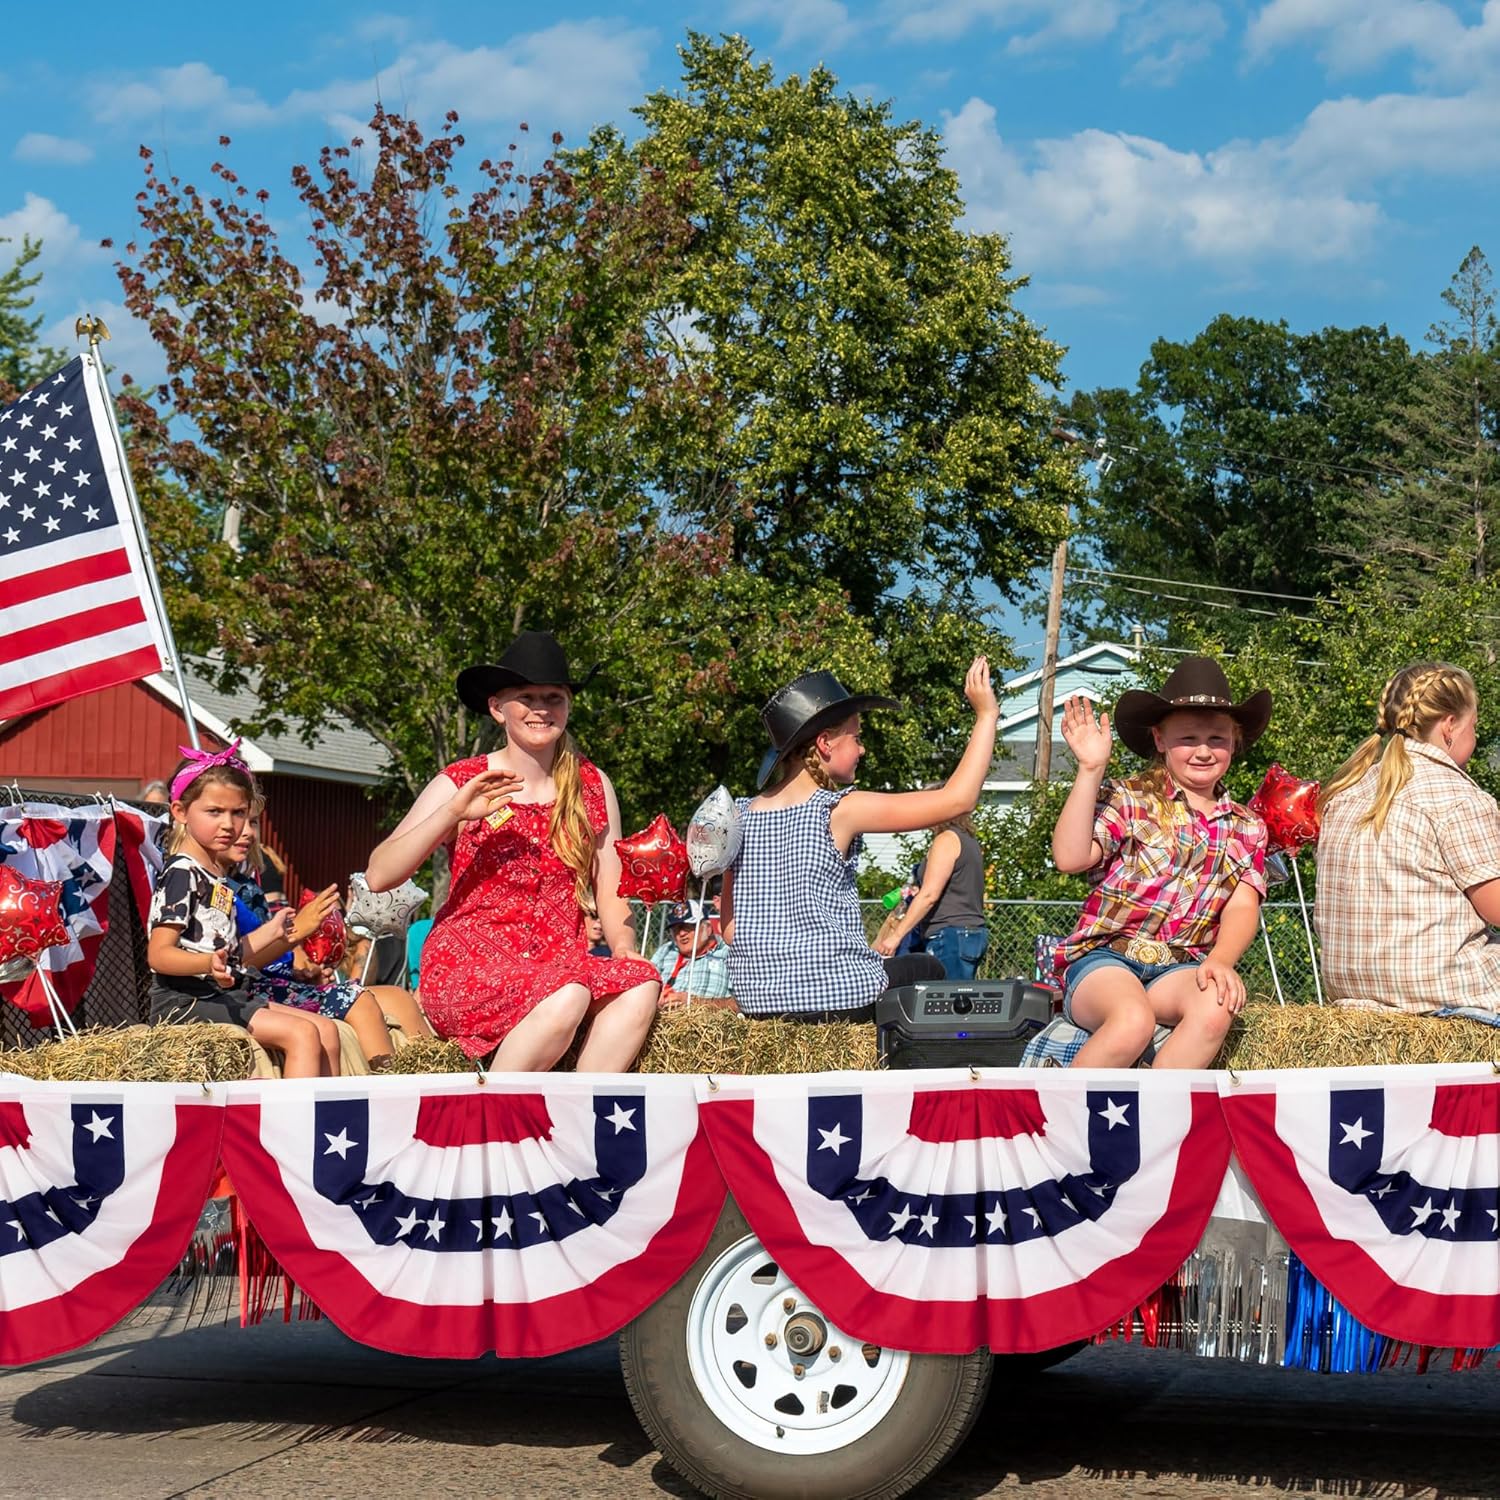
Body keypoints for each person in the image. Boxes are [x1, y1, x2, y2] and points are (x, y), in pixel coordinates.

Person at [365, 631, 660, 1068]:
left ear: (568, 706)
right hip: (470, 969)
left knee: (641, 982)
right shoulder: (463, 779)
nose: (541, 709)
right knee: (568, 994)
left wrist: (622, 944)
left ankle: (578, 1118)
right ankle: (496, 1118)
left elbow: (609, 882)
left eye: (553, 697)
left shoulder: (592, 784)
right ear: (497, 708)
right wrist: (452, 813)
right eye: (526, 697)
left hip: (561, 965)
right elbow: (378, 874)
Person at [722, 658, 998, 1021]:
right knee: (928, 970)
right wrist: (986, 716)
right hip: (836, 998)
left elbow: (729, 930)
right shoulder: (840, 809)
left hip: (759, 1004)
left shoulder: (738, 816)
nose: (863, 749)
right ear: (824, 743)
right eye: (857, 737)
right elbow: (958, 800)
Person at [1051, 658, 1271, 1069]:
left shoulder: (1248, 827)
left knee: (1216, 1005)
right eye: (1188, 738)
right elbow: (1070, 857)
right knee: (1133, 1020)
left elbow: (1243, 906)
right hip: (1106, 958)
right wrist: (1090, 770)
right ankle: (1065, 1122)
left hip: (1179, 965)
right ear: (1160, 739)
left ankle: (1157, 1120)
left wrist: (1221, 961)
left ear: (1234, 741)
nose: (1203, 750)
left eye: (1217, 739)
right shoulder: (1129, 798)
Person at [147, 744, 342, 1079]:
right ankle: (291, 1128)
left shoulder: (218, 878)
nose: (229, 825)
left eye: (238, 813)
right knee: (303, 1034)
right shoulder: (182, 873)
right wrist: (206, 964)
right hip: (185, 1002)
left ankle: (326, 1123)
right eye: (214, 812)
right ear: (180, 812)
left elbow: (231, 953)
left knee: (326, 1029)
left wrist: (275, 931)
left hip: (223, 994)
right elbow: (159, 955)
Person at [1316, 663, 1500, 1014]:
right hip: (1439, 985)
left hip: (1351, 988)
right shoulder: (1458, 797)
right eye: (1473, 727)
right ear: (1449, 726)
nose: (1474, 739)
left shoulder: (1347, 792)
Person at [226, 815, 434, 1064]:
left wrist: (301, 971)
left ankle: (435, 1082)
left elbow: (264, 957)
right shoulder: (214, 888)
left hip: (272, 980)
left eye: (253, 821)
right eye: (223, 813)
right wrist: (298, 931)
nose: (247, 831)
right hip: (244, 992)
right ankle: (385, 1089)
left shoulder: (248, 883)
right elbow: (235, 961)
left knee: (399, 998)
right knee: (358, 999)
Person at [875, 813, 989, 978]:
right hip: (969, 933)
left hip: (949, 936)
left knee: (942, 1001)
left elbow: (929, 895)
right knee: (959, 999)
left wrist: (896, 936)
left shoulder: (946, 840)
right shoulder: (968, 840)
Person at [649, 901, 733, 1006]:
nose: (682, 933)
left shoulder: (728, 953)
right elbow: (645, 983)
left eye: (688, 926)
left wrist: (693, 1002)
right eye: (676, 929)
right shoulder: (666, 950)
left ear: (708, 928)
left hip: (704, 1018)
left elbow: (739, 1004)